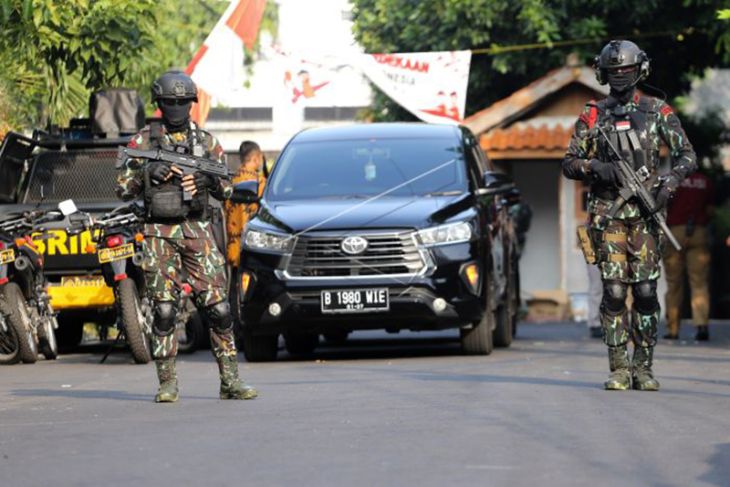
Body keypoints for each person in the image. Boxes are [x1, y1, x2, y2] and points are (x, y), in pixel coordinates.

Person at [116, 70, 257, 403]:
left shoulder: (206, 143)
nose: (177, 108)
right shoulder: (142, 142)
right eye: (170, 102)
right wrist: (147, 174)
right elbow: (123, 189)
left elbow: (226, 189)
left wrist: (207, 183)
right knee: (164, 310)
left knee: (219, 309)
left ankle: (230, 380)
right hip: (157, 232)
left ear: (191, 104)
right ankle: (167, 383)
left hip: (197, 228)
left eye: (182, 102)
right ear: (160, 104)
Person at [563, 40, 696, 391]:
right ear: (603, 74)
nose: (620, 77)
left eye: (626, 70)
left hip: (647, 215)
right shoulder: (593, 114)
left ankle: (645, 366)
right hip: (608, 215)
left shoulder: (657, 111)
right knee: (615, 291)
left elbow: (686, 156)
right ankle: (619, 367)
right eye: (613, 72)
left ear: (640, 71)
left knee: (648, 291)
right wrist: (597, 168)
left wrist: (668, 185)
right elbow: (570, 162)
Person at [663, 171, 714, 341]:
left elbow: (662, 204)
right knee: (699, 282)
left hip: (674, 232)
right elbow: (710, 209)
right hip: (698, 231)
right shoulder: (704, 181)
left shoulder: (670, 178)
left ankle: (673, 329)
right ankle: (701, 325)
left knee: (673, 284)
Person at [224, 141, 266, 268]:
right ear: (256, 157)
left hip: (232, 245)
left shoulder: (230, 180)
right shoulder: (260, 182)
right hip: (254, 243)